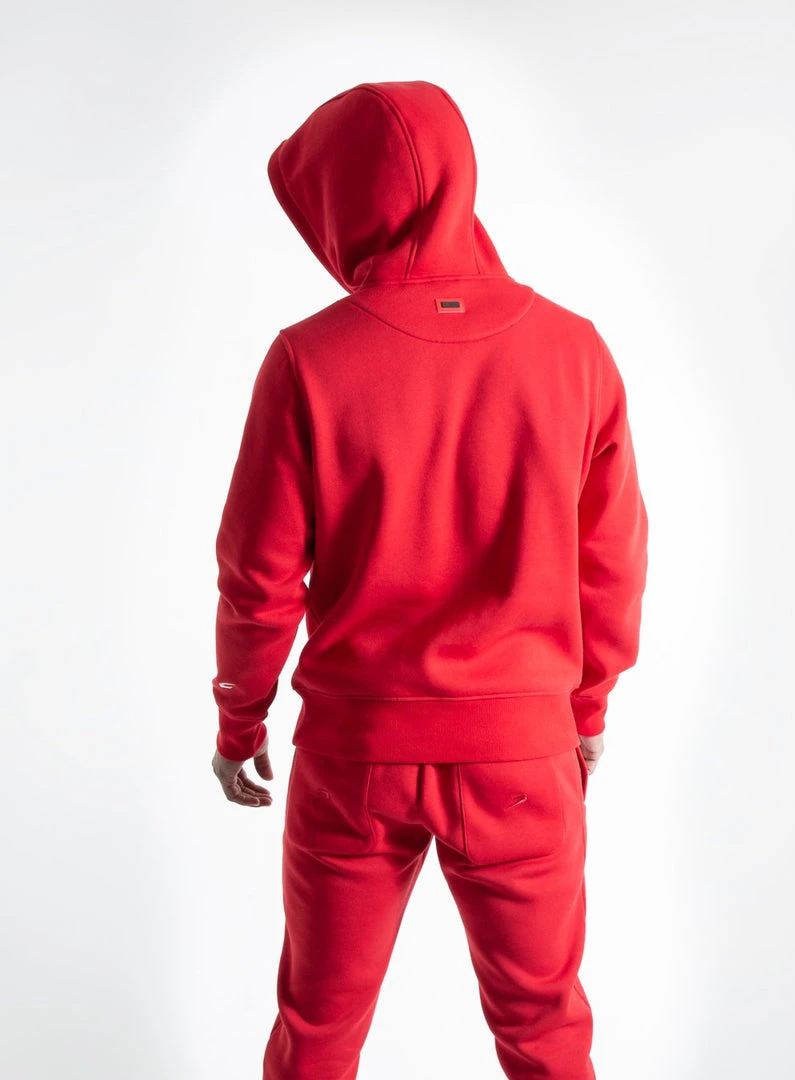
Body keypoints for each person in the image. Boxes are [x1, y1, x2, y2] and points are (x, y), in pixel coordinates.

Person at [209, 79, 648, 1080]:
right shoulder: (575, 352)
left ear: (345, 203)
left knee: (317, 1033)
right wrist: (584, 708)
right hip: (522, 755)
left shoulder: (308, 360)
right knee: (545, 1032)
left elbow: (257, 575)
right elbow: (613, 561)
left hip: (354, 757)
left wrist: (240, 724)